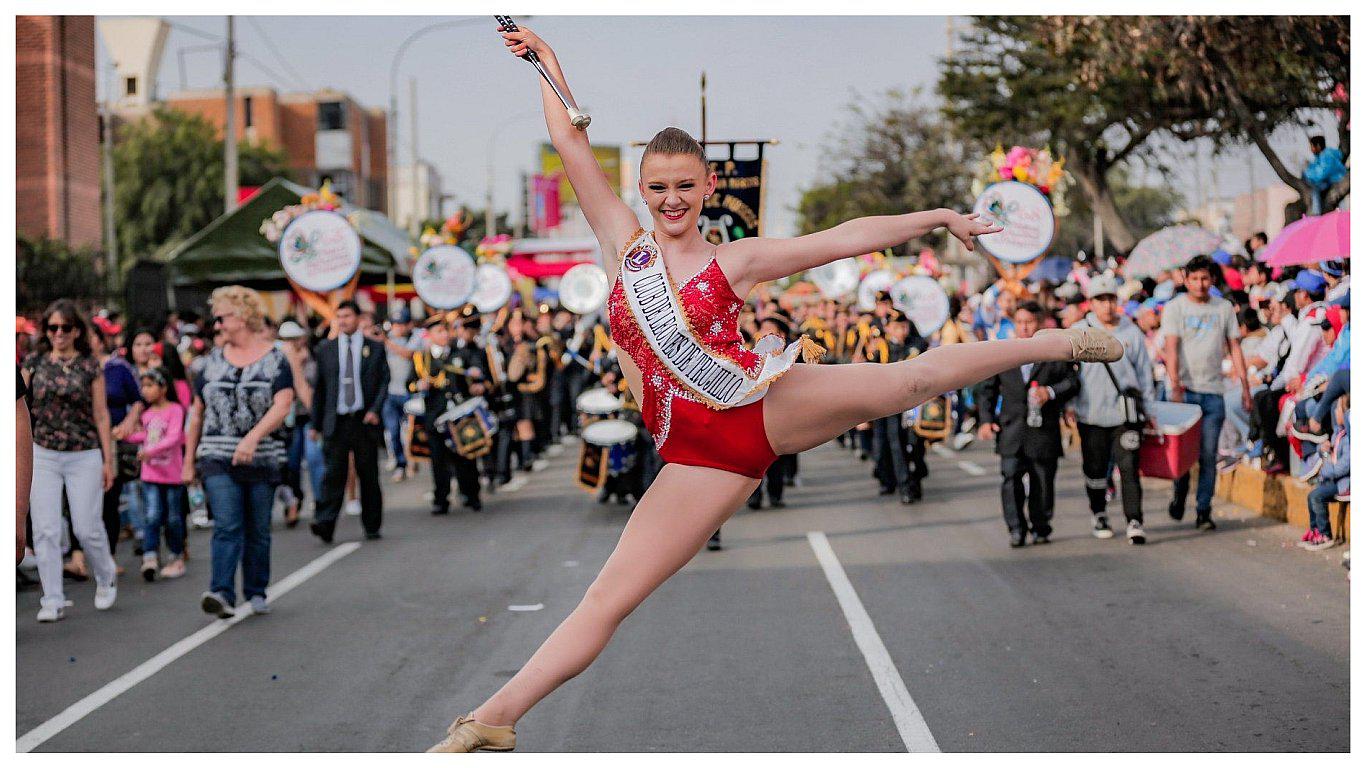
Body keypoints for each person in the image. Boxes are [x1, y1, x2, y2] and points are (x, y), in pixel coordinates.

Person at [426, 25, 1122, 752]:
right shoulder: (620, 242)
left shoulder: (738, 260)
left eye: (684, 187)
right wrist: (547, 61)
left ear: (708, 188)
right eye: (657, 187)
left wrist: (940, 218)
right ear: (639, 188)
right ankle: (493, 717)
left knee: (906, 379)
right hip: (688, 452)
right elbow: (571, 142)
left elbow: (844, 237)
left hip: (753, 414)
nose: (670, 200)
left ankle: (1052, 342)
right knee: (609, 597)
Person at [183, 286, 294, 618]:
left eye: (222, 317)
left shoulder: (275, 358)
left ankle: (256, 590)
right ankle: (222, 592)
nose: (216, 325)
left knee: (257, 528)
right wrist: (188, 461)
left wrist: (253, 438)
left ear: (243, 316)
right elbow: (197, 411)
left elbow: (284, 403)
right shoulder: (211, 363)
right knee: (228, 524)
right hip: (217, 456)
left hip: (261, 457)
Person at [22, 300, 118, 622]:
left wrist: (109, 460)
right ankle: (52, 597)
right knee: (46, 529)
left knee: (86, 526)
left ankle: (105, 576)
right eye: (52, 327)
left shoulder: (90, 366)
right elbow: (18, 408)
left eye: (65, 327)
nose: (59, 333)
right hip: (44, 451)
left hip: (83, 452)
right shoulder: (33, 363)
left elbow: (101, 415)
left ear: (76, 331)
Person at [975, 303, 1081, 548]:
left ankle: (1041, 525)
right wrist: (986, 420)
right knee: (1010, 478)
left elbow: (1072, 382)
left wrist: (1051, 392)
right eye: (1019, 322)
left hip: (1043, 430)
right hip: (1011, 430)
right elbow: (987, 390)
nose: (1024, 327)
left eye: (1029, 322)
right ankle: (1016, 528)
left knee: (1042, 481)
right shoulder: (1003, 353)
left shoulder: (1052, 352)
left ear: (1040, 323)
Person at [1162, 255, 1252, 529]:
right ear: (1186, 280)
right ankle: (1179, 494)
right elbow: (1171, 348)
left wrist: (1245, 386)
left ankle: (1203, 510)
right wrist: (1175, 385)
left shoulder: (1223, 308)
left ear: (1212, 280)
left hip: (1214, 391)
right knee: (1182, 455)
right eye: (1194, 279)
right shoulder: (1175, 308)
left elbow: (1235, 347)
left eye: (1204, 279)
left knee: (1208, 454)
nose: (1200, 284)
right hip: (1185, 392)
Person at [1071, 275, 1154, 543]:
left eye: (1110, 299)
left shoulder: (1132, 332)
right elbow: (1069, 373)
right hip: (1091, 413)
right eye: (1100, 299)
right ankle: (1099, 512)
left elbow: (1144, 375)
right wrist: (1071, 406)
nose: (1106, 305)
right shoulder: (1078, 332)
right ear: (1091, 302)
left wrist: (1148, 410)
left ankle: (1134, 520)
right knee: (1095, 469)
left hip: (1126, 414)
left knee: (1129, 468)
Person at [309, 301, 390, 543]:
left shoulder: (374, 348)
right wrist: (315, 424)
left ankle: (372, 524)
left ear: (357, 317)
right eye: (339, 316)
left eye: (347, 316)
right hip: (337, 420)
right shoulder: (326, 349)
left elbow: (383, 382)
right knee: (333, 474)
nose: (343, 321)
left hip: (364, 420)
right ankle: (325, 522)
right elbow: (320, 389)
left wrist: (375, 410)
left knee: (368, 474)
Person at [414, 313, 484, 514]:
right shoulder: (422, 359)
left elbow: (477, 370)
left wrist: (477, 382)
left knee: (466, 455)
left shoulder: (459, 353)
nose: (444, 334)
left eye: (445, 330)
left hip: (459, 414)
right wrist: (419, 385)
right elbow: (410, 383)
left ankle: (471, 494)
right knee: (439, 460)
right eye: (439, 331)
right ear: (430, 335)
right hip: (435, 416)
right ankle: (441, 498)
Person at [124, 368, 188, 580]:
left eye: (150, 385)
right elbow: (147, 435)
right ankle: (150, 555)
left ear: (163, 387)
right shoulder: (147, 414)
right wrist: (127, 435)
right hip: (151, 474)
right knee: (152, 516)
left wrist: (149, 451)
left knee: (173, 518)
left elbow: (173, 437)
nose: (146, 391)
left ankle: (176, 556)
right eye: (143, 386)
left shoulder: (175, 410)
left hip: (172, 475)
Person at [381, 308, 423, 482]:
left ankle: (412, 458)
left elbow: (408, 354)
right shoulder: (387, 339)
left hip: (409, 393)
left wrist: (385, 341)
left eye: (401, 324)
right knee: (393, 431)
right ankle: (400, 464)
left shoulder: (415, 338)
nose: (397, 327)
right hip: (390, 393)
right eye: (395, 324)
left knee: (409, 431)